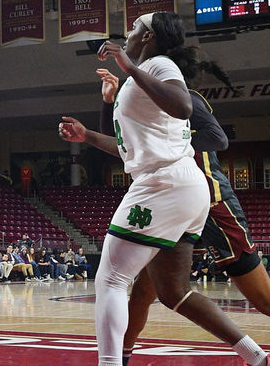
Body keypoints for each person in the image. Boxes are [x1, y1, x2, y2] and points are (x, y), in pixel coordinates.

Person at [58, 12, 268, 366]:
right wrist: (88, 134)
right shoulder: (139, 81)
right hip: (183, 188)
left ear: (149, 36)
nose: (127, 32)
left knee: (111, 279)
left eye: (134, 28)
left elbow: (186, 109)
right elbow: (128, 147)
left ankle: (109, 362)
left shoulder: (159, 66)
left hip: (171, 184)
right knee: (171, 292)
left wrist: (129, 67)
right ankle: (256, 356)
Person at [97, 62, 270, 365]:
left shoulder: (185, 100)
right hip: (170, 202)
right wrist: (108, 102)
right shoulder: (141, 102)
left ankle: (254, 354)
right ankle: (119, 358)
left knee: (263, 299)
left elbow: (218, 138)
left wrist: (175, 143)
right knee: (146, 293)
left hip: (213, 204)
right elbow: (123, 144)